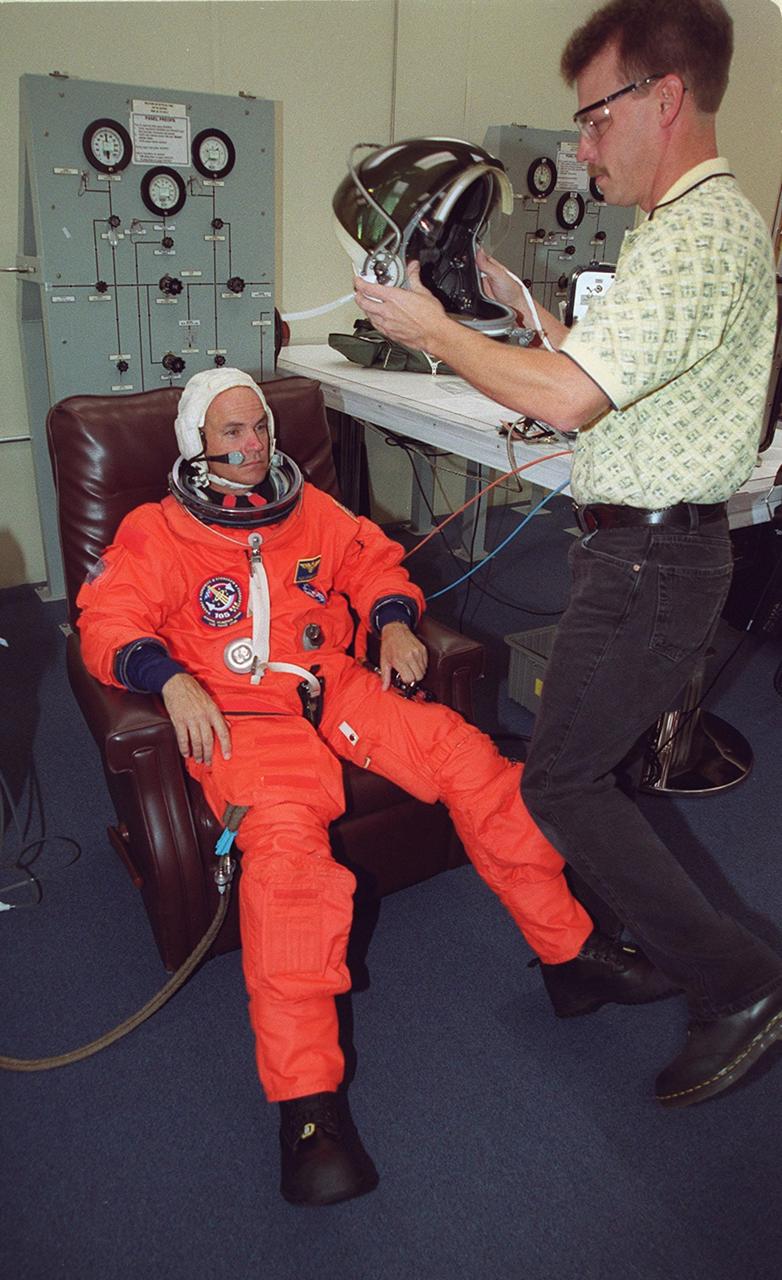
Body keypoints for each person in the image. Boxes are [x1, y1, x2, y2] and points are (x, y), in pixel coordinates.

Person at [76, 367, 675, 1206]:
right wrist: (169, 679)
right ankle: (309, 1107)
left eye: (260, 429)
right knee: (289, 874)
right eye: (231, 435)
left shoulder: (310, 509)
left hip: (342, 689)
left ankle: (569, 956)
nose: (254, 448)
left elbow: (375, 564)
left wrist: (394, 623)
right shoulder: (157, 533)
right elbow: (105, 621)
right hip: (243, 718)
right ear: (194, 448)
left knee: (481, 771)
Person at [354, 0, 782, 1111]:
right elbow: (611, 386)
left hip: (649, 568)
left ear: (664, 98)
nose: (580, 146)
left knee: (560, 783)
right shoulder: (682, 231)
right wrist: (523, 315)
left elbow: (571, 399)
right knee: (592, 773)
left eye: (592, 119)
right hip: (644, 558)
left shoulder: (696, 233)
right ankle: (621, 938)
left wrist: (432, 329)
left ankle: (738, 982)